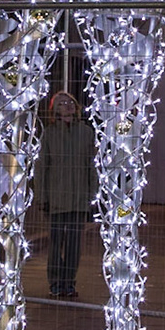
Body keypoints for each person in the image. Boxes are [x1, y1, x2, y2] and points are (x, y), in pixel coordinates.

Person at [33, 91, 95, 300]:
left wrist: (92, 195)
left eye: (70, 102)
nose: (67, 105)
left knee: (74, 245)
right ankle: (56, 282)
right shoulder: (49, 134)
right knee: (56, 242)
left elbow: (91, 166)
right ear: (55, 110)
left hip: (79, 198)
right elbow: (42, 167)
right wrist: (42, 196)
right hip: (56, 198)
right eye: (61, 103)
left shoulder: (86, 133)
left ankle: (69, 282)